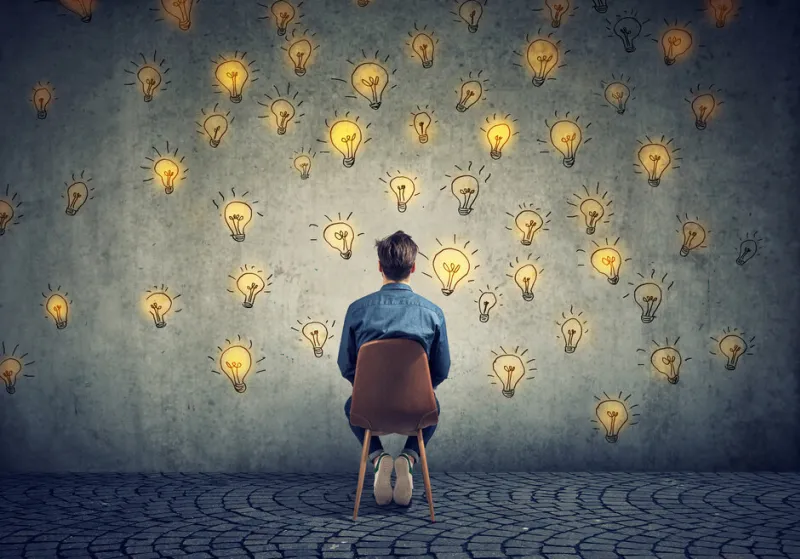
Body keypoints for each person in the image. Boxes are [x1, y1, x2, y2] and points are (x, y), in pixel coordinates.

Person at [338, 230, 450, 507]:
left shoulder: (357, 310)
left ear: (379, 266)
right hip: (417, 407)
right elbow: (442, 368)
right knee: (433, 406)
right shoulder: (433, 312)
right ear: (413, 267)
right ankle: (409, 458)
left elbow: (346, 364)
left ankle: (378, 458)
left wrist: (367, 389)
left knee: (349, 407)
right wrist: (419, 390)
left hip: (369, 407)